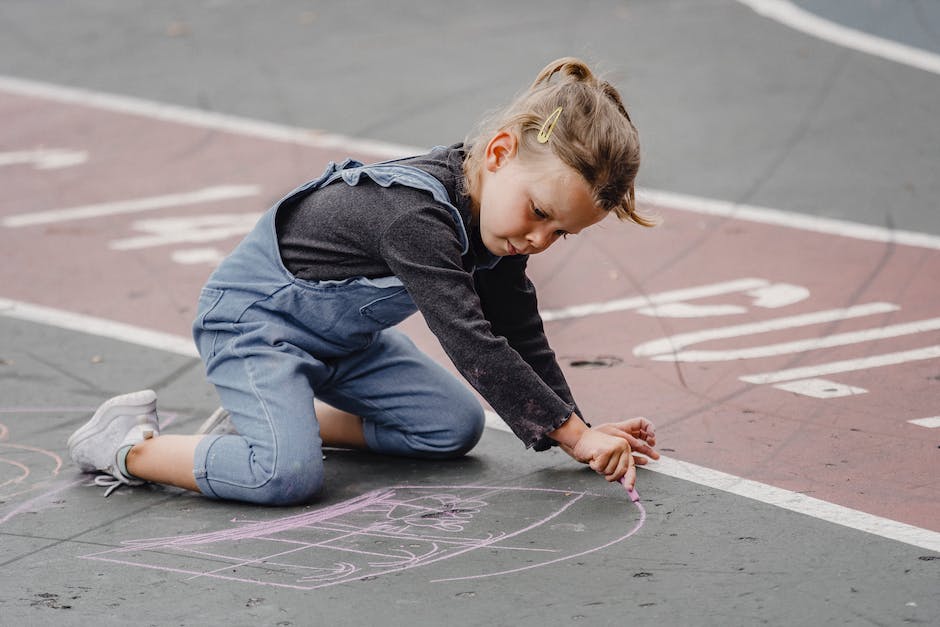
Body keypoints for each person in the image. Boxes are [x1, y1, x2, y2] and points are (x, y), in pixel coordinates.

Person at [67, 57, 660, 504]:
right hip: (253, 326)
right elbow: (472, 340)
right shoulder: (415, 216)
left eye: (561, 233)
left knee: (453, 427)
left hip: (341, 345)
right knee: (283, 476)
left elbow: (518, 328)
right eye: (539, 212)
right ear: (500, 152)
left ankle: (277, 417)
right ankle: (126, 445)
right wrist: (574, 437)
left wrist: (575, 422)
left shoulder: (498, 225)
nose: (539, 239)